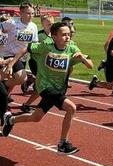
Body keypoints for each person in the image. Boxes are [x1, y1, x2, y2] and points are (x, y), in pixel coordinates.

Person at [2, 22, 94, 155]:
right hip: (44, 86)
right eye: (63, 35)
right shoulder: (46, 46)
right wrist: (11, 64)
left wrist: (83, 59)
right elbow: (25, 49)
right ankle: (63, 143)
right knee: (71, 108)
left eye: (69, 34)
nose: (67, 37)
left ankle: (10, 120)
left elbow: (90, 65)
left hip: (59, 88)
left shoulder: (72, 49)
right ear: (54, 36)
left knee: (35, 117)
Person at [0, 2, 38, 102]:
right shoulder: (12, 23)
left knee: (13, 80)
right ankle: (2, 86)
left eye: (32, 13)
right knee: (22, 78)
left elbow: (34, 43)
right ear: (21, 13)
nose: (31, 16)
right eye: (28, 13)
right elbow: (0, 27)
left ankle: (3, 100)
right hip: (9, 55)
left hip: (23, 57)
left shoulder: (33, 26)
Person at [20, 14, 55, 113]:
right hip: (36, 63)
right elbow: (30, 48)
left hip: (47, 65)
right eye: (48, 24)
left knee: (43, 86)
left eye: (52, 23)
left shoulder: (54, 35)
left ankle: (30, 80)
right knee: (44, 86)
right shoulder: (39, 35)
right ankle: (27, 105)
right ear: (42, 24)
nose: (50, 25)